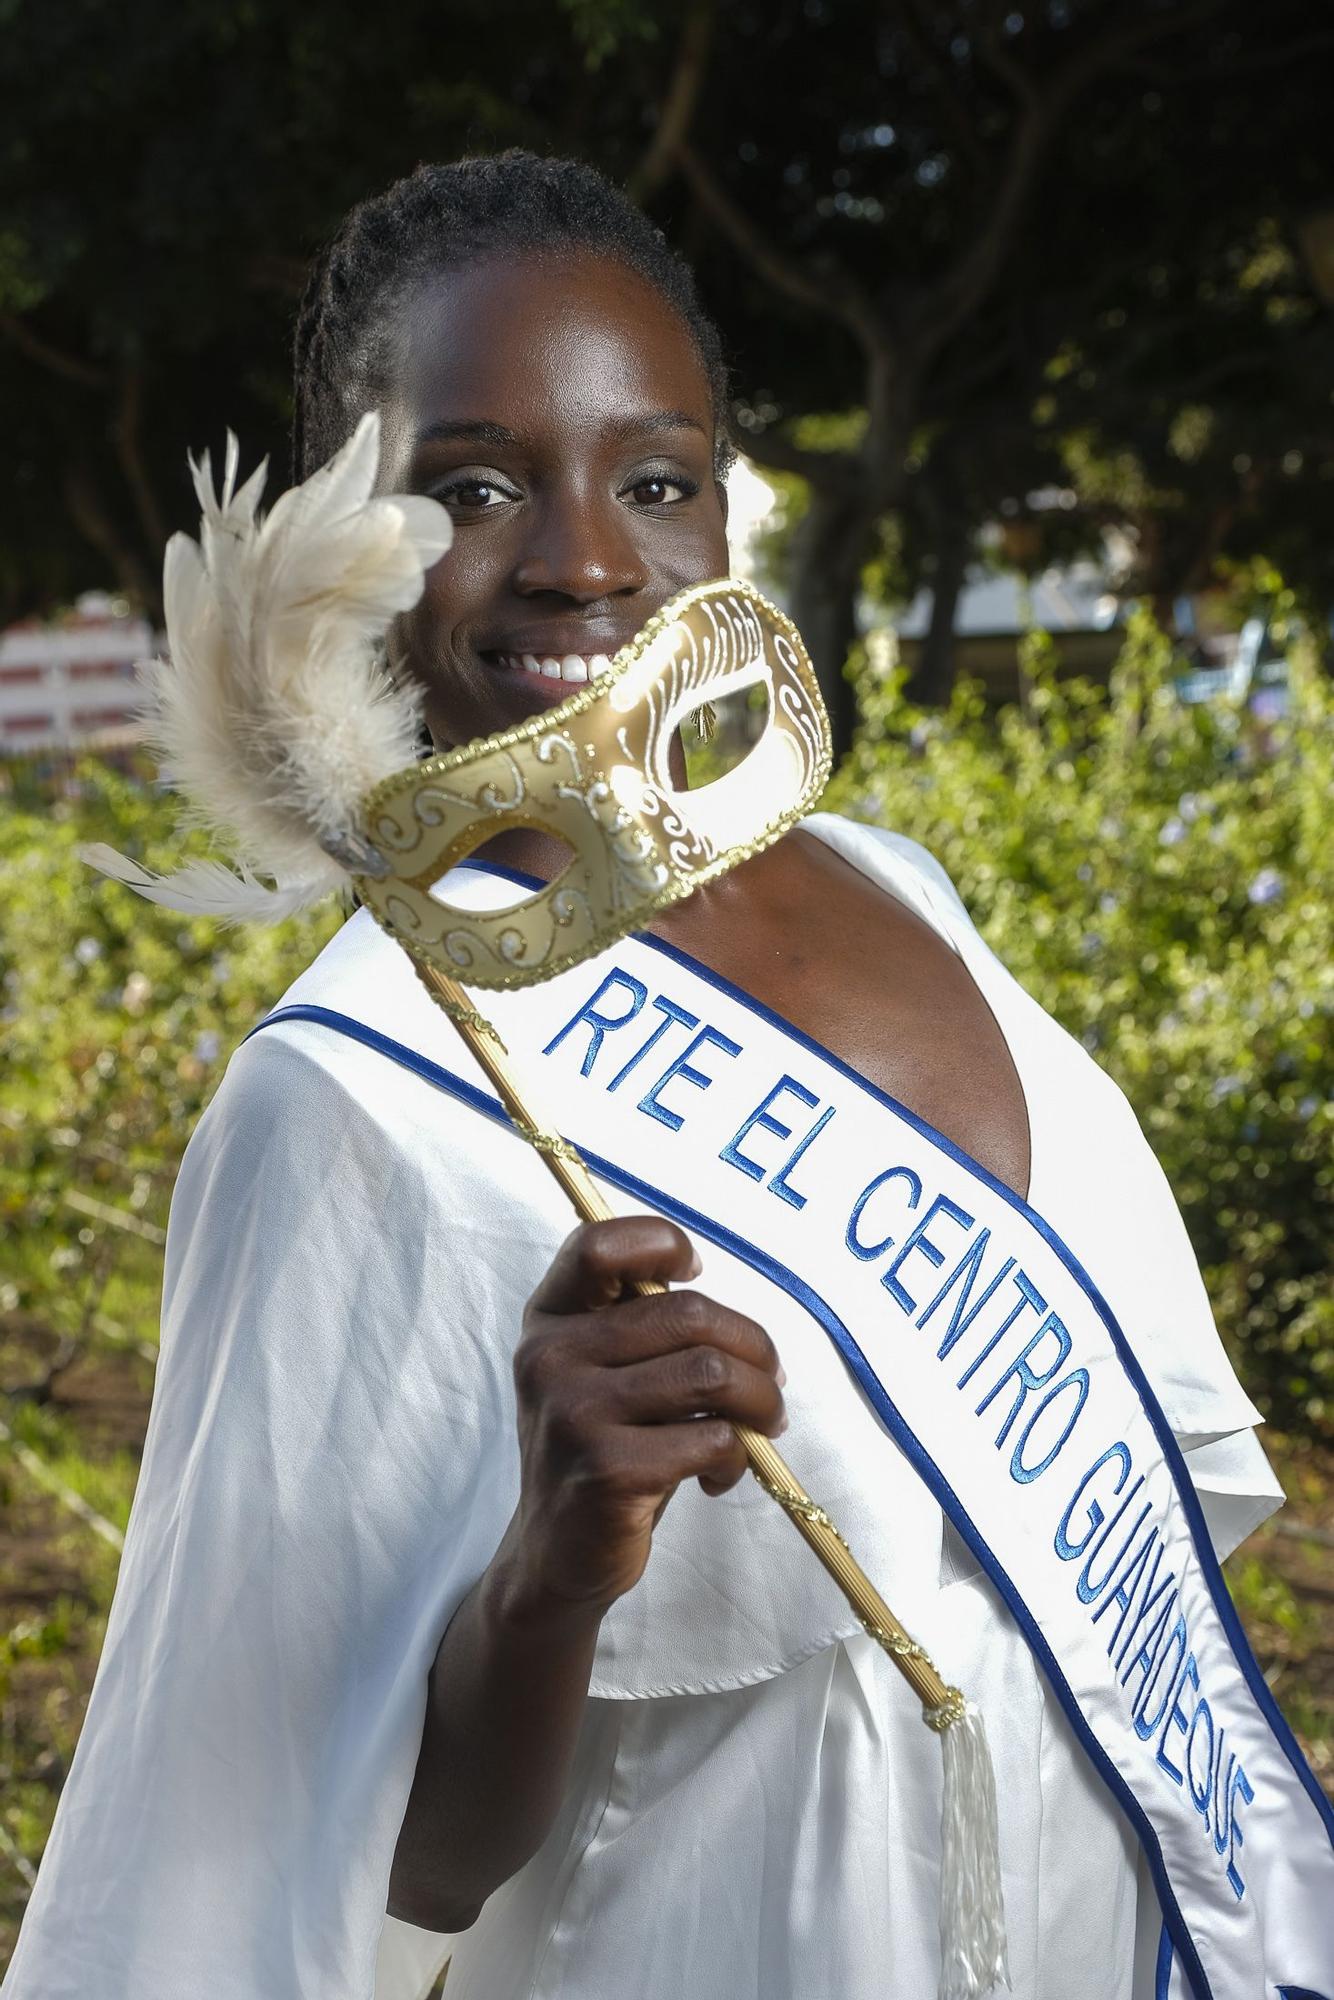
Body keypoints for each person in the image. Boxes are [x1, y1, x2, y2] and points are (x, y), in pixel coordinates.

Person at [2, 152, 1288, 2000]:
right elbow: (323, 1855)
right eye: (472, 486)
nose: (587, 557)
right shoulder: (346, 1097)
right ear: (335, 540)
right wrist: (551, 1568)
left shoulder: (883, 884)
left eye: (657, 478)